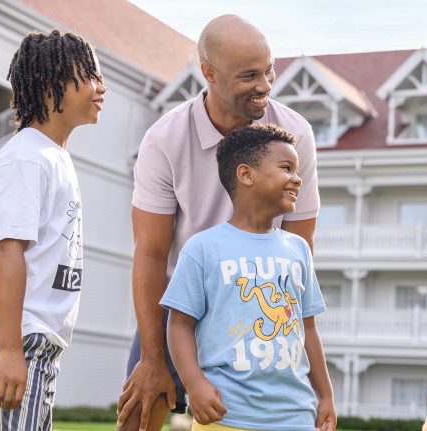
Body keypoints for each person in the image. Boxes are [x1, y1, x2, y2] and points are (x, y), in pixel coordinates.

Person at [117, 14, 320, 431]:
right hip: (182, 301)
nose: (265, 84)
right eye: (249, 75)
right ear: (208, 72)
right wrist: (153, 357)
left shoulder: (294, 134)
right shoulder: (164, 138)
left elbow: (299, 252)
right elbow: (152, 255)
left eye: (269, 70)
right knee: (139, 414)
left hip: (255, 301)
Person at [162, 124, 336, 431]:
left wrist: (325, 395)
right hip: (227, 415)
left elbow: (308, 328)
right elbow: (179, 325)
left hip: (296, 417)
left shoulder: (297, 249)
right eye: (286, 168)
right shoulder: (203, 248)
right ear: (246, 175)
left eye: (297, 170)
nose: (297, 178)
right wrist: (194, 383)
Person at [0, 29, 106, 430]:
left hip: (42, 347)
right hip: (21, 341)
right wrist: (9, 350)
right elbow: (6, 250)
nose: (101, 86)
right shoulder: (25, 158)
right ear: (48, 85)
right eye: (89, 74)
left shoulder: (54, 157)